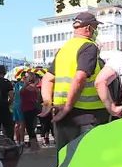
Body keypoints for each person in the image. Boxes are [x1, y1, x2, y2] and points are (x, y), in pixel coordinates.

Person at [39, 12, 108, 151]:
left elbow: (48, 78)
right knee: (87, 162)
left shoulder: (64, 49)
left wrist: (47, 103)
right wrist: (68, 106)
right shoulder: (89, 47)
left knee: (65, 161)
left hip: (63, 117)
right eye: (96, 27)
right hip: (87, 116)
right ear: (88, 28)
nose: (96, 31)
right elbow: (80, 77)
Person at [0, 65, 15, 139]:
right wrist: (8, 103)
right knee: (9, 129)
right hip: (4, 107)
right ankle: (10, 144)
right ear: (4, 72)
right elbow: (11, 97)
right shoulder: (7, 82)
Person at [20, 72, 41, 151]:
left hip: (27, 109)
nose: (25, 78)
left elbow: (21, 93)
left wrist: (25, 84)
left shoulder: (27, 87)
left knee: (29, 127)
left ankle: (34, 146)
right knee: (31, 127)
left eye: (26, 77)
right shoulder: (35, 88)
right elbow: (37, 98)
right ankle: (34, 145)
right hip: (32, 108)